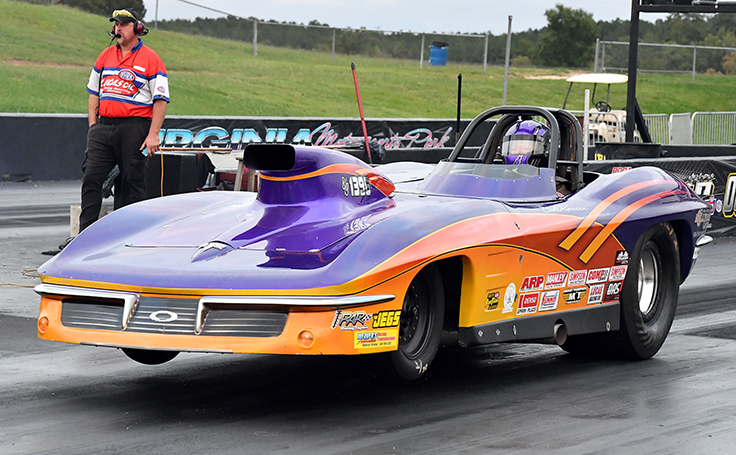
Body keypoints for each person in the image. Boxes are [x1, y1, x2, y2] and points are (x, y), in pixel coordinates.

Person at [80, 8, 170, 232]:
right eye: (116, 24)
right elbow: (93, 93)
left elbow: (160, 100)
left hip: (134, 127)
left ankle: (132, 235)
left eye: (123, 24)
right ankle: (85, 235)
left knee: (132, 182)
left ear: (137, 28)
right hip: (103, 127)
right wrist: (93, 127)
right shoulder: (105, 55)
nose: (117, 28)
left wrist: (153, 134)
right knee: (91, 178)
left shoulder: (151, 58)